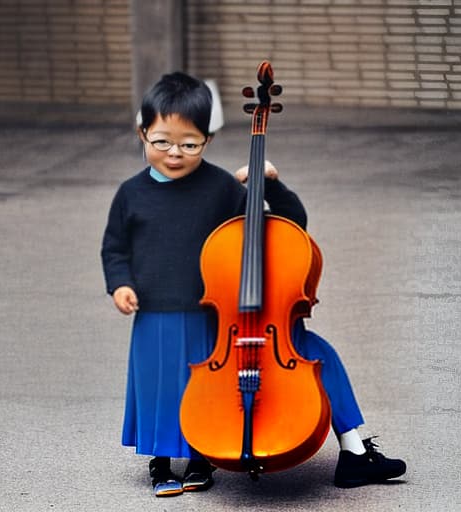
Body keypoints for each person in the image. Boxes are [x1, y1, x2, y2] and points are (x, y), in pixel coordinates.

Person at [101, 71, 406, 497]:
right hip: (157, 309)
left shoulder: (222, 186)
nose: (175, 152)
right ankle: (160, 463)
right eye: (162, 141)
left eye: (189, 143)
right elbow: (114, 248)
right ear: (142, 133)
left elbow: (287, 227)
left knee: (200, 388)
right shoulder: (131, 193)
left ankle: (199, 459)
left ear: (206, 139)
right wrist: (119, 284)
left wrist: (272, 185)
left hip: (212, 315)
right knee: (161, 386)